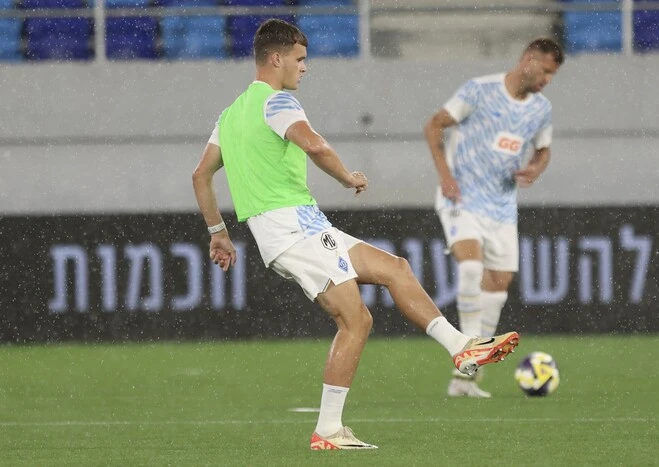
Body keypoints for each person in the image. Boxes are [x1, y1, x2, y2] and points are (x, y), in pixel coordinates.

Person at [192, 18, 519, 450]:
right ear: (276, 58)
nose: (305, 67)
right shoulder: (277, 102)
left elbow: (200, 175)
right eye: (299, 59)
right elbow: (314, 144)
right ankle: (328, 430)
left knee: (395, 269)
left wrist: (218, 232)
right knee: (355, 320)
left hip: (296, 226)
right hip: (292, 226)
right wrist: (347, 176)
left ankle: (462, 347)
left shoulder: (230, 114)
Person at [424, 38, 564, 399]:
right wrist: (445, 176)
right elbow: (434, 125)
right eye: (545, 70)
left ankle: (465, 380)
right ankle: (468, 354)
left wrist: (535, 168)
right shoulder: (479, 90)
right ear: (528, 59)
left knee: (499, 285)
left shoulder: (540, 109)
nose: (547, 80)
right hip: (462, 198)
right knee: (471, 267)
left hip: (501, 206)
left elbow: (544, 150)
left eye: (553, 75)